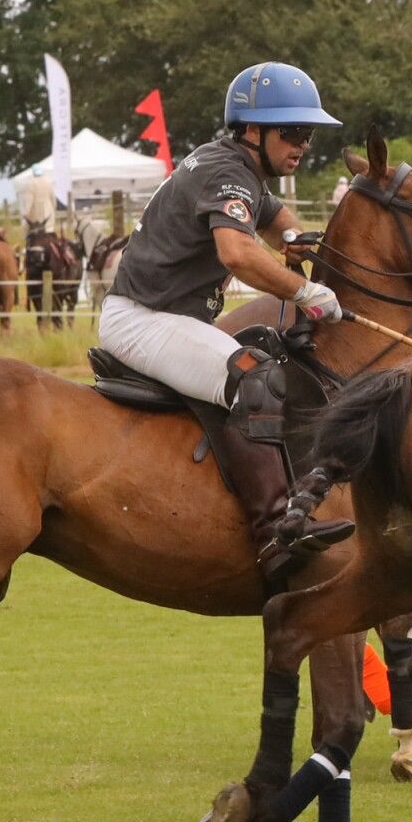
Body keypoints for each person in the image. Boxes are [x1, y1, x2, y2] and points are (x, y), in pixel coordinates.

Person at [99, 61, 353, 585]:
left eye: (308, 134)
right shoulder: (227, 171)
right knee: (254, 377)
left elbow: (275, 218)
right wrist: (304, 291)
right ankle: (275, 531)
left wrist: (296, 240)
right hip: (144, 318)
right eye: (293, 132)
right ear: (253, 130)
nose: (303, 145)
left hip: (167, 315)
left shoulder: (240, 168)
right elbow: (236, 252)